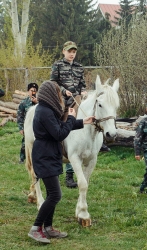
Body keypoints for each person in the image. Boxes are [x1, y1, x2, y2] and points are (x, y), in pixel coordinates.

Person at [28, 80, 94, 244]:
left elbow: (60, 126)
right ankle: (36, 229)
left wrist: (82, 122)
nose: (60, 96)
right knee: (56, 195)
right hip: (45, 156)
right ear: (50, 94)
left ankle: (48, 228)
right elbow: (59, 133)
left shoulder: (48, 110)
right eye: (57, 93)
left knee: (52, 194)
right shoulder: (44, 112)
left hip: (51, 155)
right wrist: (71, 117)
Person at [50, 41, 109, 188]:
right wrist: (64, 91)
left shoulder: (79, 67)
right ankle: (53, 145)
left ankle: (97, 143)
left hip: (78, 99)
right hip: (62, 99)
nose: (72, 54)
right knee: (57, 119)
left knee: (92, 115)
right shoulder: (57, 65)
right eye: (69, 51)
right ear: (64, 51)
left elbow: (82, 83)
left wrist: (83, 91)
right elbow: (53, 82)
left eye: (74, 52)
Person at [17, 83, 38, 164]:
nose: (33, 92)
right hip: (27, 127)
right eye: (31, 91)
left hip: (37, 126)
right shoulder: (24, 102)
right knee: (24, 144)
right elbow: (20, 116)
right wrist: (21, 128)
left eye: (35, 91)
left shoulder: (39, 101)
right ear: (28, 91)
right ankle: (22, 158)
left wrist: (36, 103)